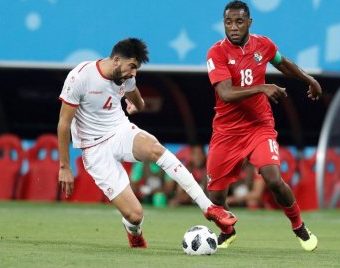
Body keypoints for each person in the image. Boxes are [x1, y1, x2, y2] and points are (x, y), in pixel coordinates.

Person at [57, 38, 236, 248]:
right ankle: (134, 232)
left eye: (136, 69)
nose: (133, 73)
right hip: (94, 148)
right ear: (116, 60)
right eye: (132, 67)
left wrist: (135, 105)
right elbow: (64, 123)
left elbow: (138, 101)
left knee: (155, 148)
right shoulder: (80, 77)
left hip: (118, 130)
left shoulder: (126, 77)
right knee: (135, 215)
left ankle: (208, 207)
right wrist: (64, 166)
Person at [205, 0, 321, 251]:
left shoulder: (263, 45)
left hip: (259, 126)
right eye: (228, 22)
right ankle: (228, 230)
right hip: (226, 131)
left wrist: (308, 79)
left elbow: (283, 62)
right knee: (214, 198)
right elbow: (225, 93)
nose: (233, 27)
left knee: (273, 177)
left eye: (238, 21)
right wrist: (262, 87)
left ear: (249, 23)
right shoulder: (216, 53)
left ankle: (299, 226)